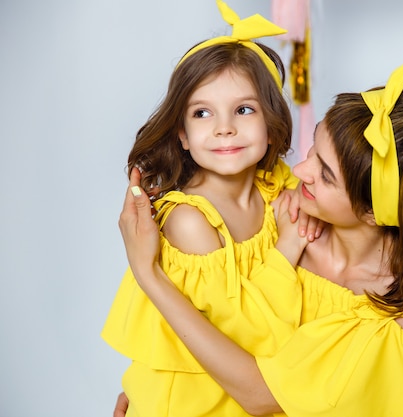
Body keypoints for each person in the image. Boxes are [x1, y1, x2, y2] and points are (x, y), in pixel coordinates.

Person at [116, 56, 403, 417]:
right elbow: (208, 322)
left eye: (327, 175)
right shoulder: (278, 211)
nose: (300, 170)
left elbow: (262, 394)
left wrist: (149, 273)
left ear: (374, 212)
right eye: (313, 150)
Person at [102, 2, 321, 416]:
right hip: (197, 405)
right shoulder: (191, 220)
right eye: (203, 113)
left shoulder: (276, 185)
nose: (225, 127)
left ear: (271, 123)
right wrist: (288, 248)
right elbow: (245, 335)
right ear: (182, 134)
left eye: (244, 109)